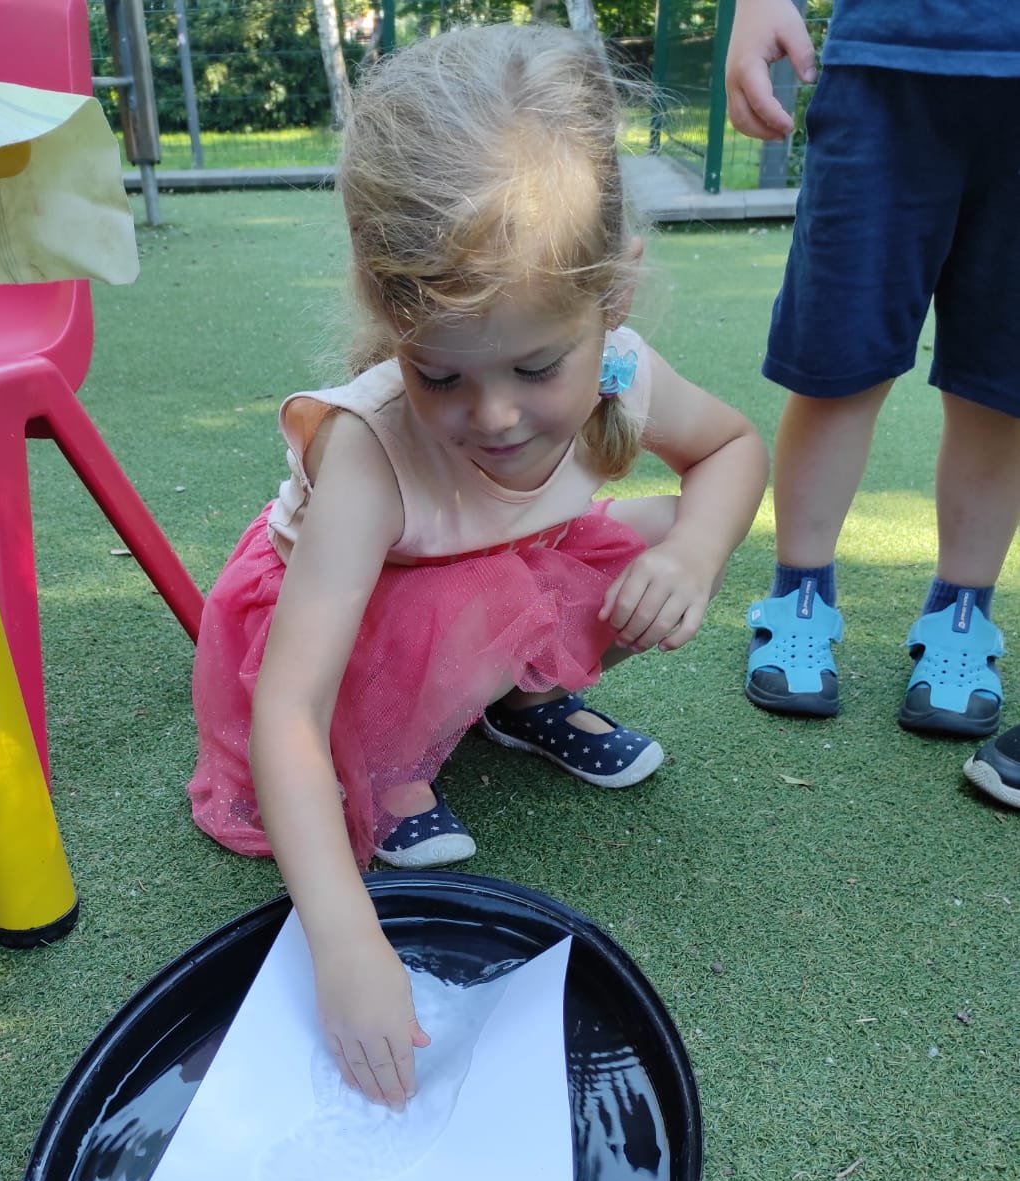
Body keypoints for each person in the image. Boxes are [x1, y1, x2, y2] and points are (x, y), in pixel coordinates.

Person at [189, 23, 768, 1110]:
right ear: (389, 317)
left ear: (614, 295)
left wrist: (695, 553)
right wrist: (343, 938)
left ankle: (510, 700)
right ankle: (393, 757)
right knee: (455, 607)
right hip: (352, 625)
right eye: (442, 375)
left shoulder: (622, 368)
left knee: (650, 539)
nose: (494, 415)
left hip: (491, 571)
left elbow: (732, 449)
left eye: (537, 367)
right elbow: (288, 708)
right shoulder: (371, 450)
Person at [724, 0, 1020, 767]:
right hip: (885, 70)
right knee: (835, 361)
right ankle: (799, 595)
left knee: (1001, 384)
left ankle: (960, 616)